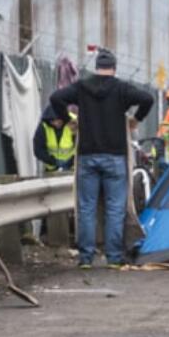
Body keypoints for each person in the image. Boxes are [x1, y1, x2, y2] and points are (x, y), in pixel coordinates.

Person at [49, 48, 154, 269]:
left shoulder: (81, 86)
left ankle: (86, 258)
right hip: (115, 156)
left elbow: (56, 98)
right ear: (114, 68)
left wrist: (67, 118)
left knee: (86, 207)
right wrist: (136, 119)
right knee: (115, 207)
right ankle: (113, 257)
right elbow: (147, 98)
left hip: (87, 155)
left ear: (96, 67)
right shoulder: (121, 88)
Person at [33, 105, 77, 173]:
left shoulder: (74, 122)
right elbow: (38, 150)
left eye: (58, 121)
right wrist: (53, 161)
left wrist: (72, 161)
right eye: (53, 121)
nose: (56, 124)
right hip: (52, 168)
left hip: (73, 168)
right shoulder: (44, 127)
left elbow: (83, 145)